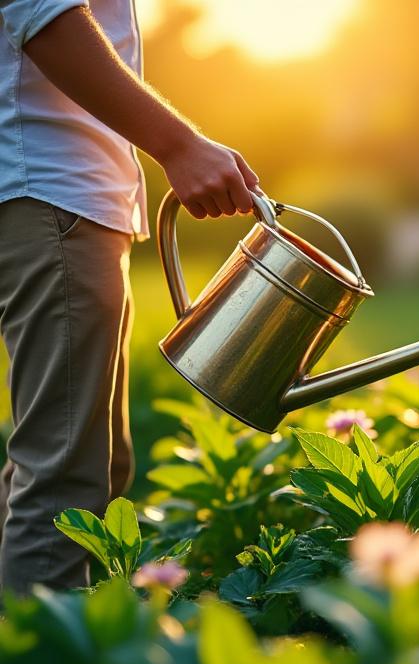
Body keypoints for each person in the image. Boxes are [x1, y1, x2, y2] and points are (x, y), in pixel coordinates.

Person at [0, 0, 261, 596]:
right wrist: (178, 145)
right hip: (50, 195)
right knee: (66, 481)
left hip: (55, 201)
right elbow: (44, 14)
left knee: (79, 462)